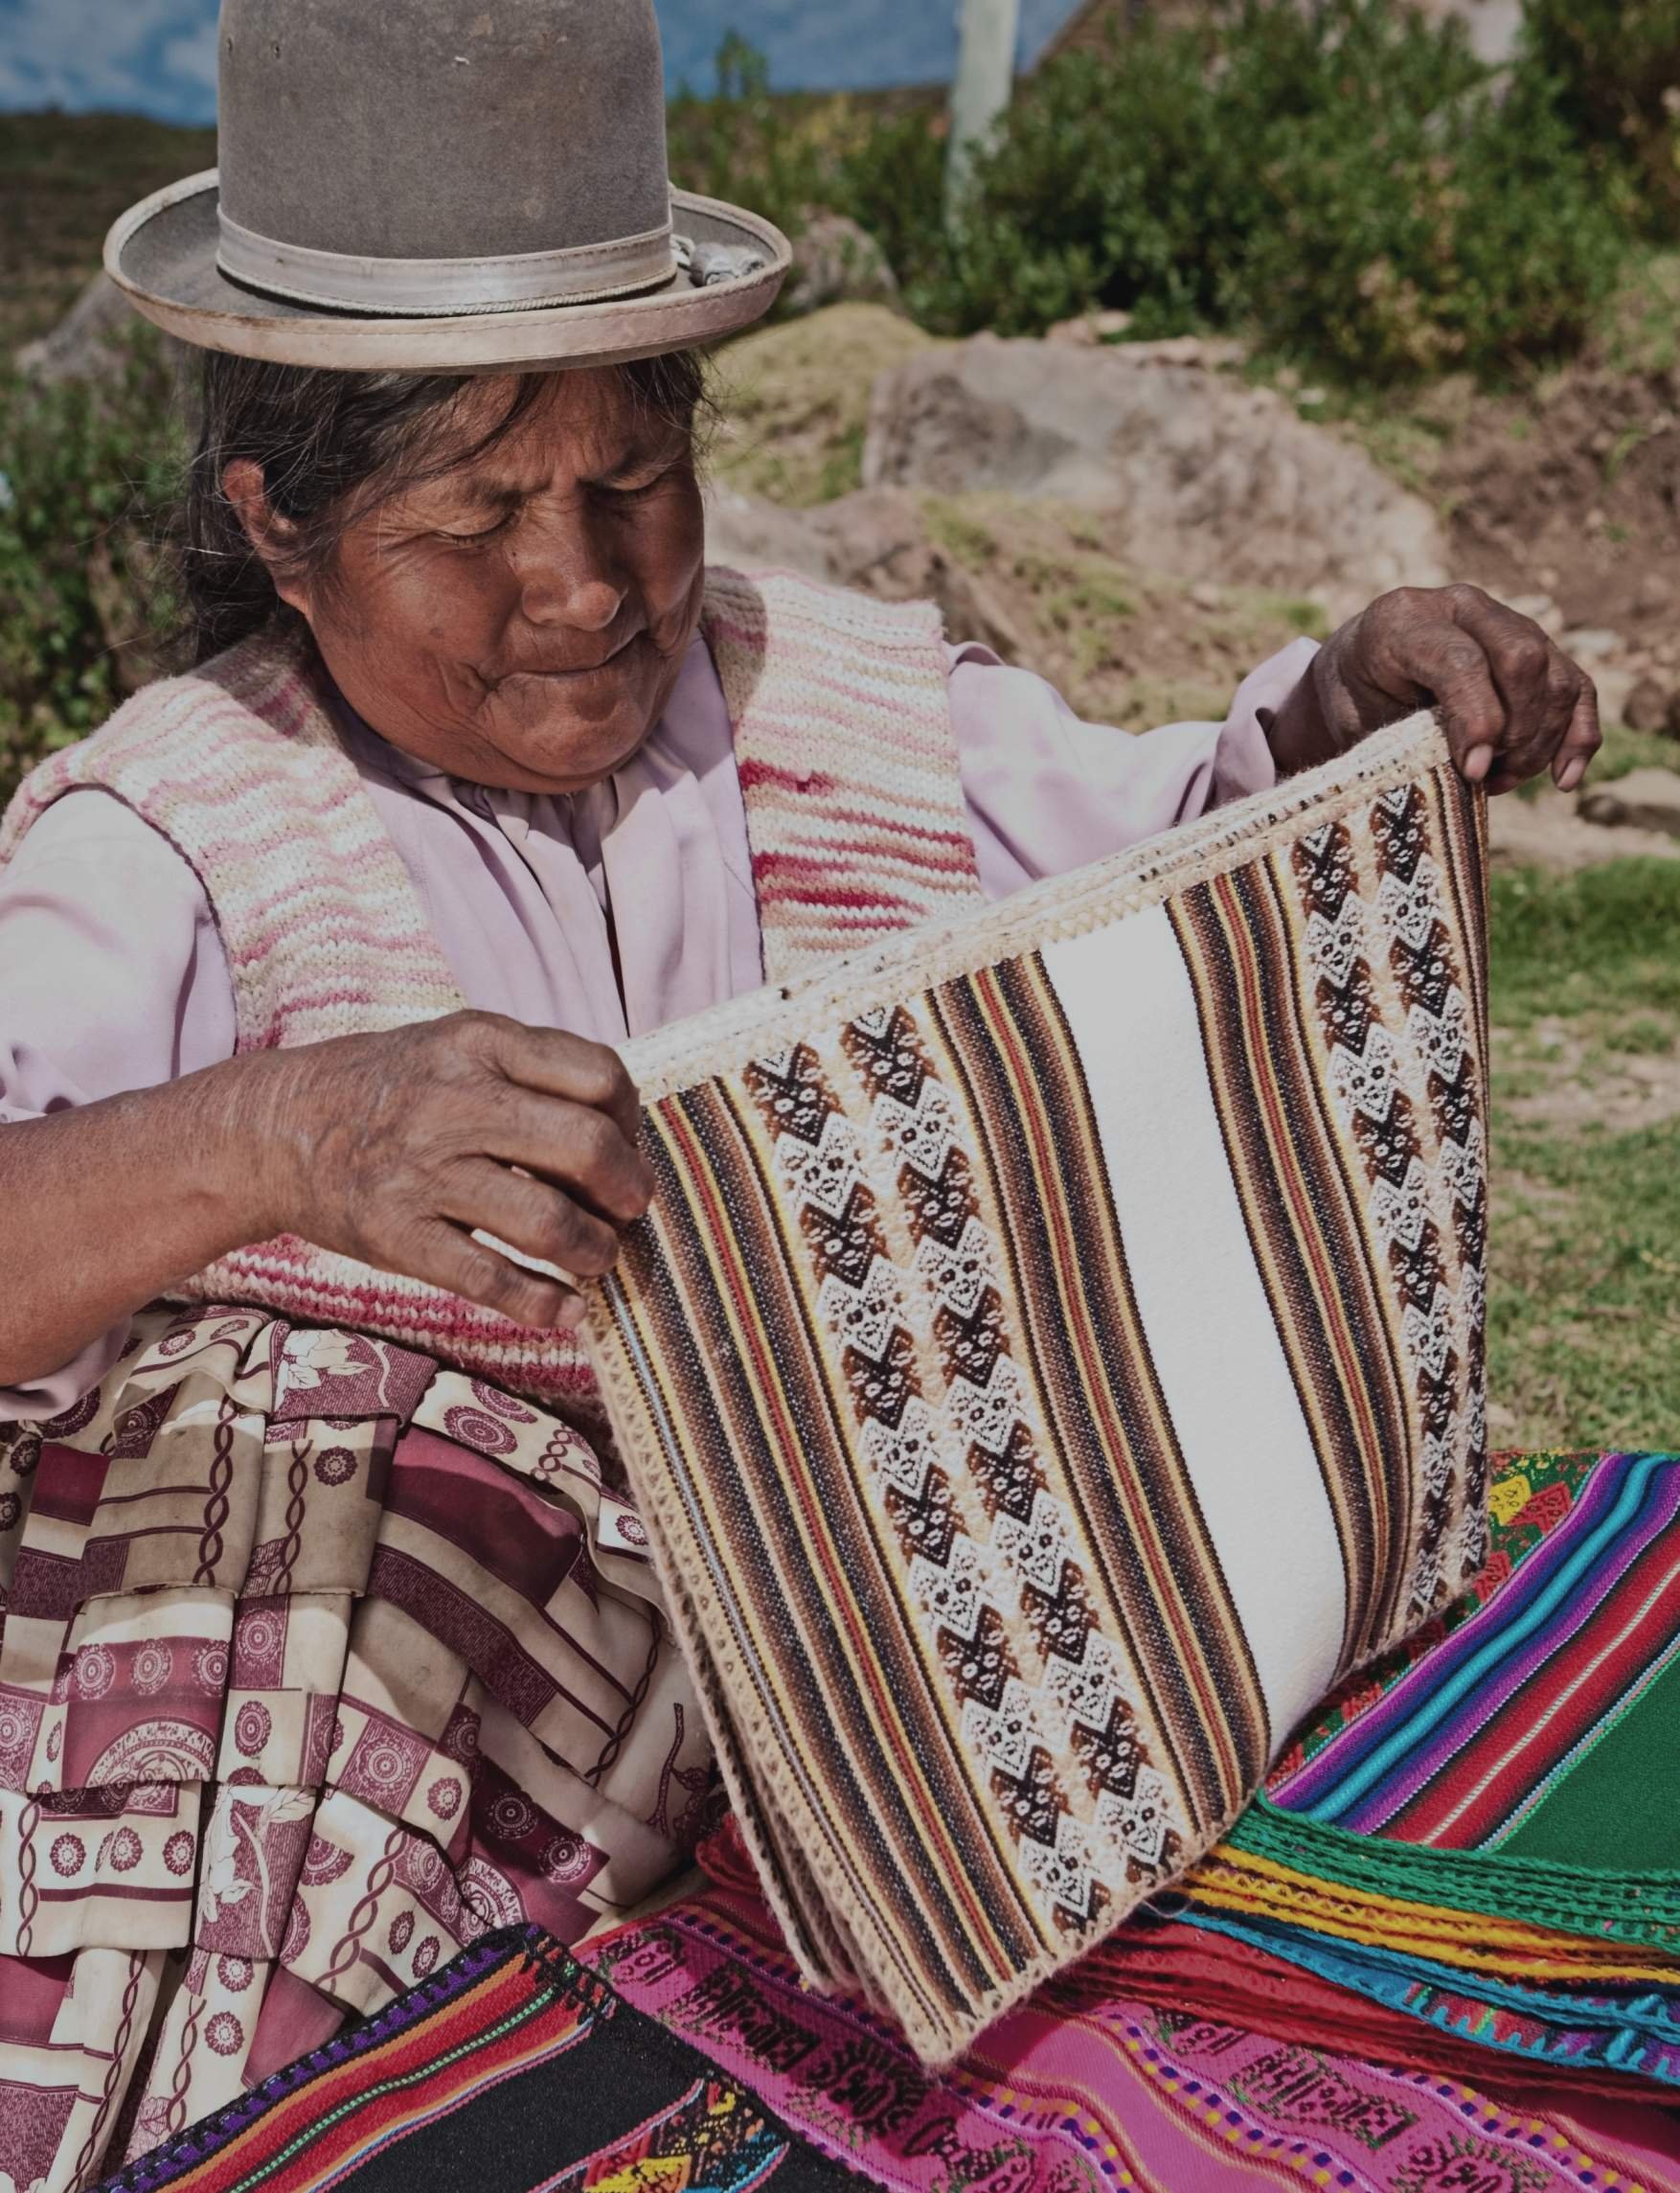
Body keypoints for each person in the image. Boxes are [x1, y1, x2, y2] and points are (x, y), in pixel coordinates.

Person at [0, 5, 1599, 2185]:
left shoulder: (840, 705)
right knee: (310, 1455)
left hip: (838, 1687)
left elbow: (1180, 888)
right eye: (476, 517)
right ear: (277, 526)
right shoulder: (172, 831)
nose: (580, 586)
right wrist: (278, 1136)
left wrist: (1352, 709)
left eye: (632, 481)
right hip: (367, 1729)